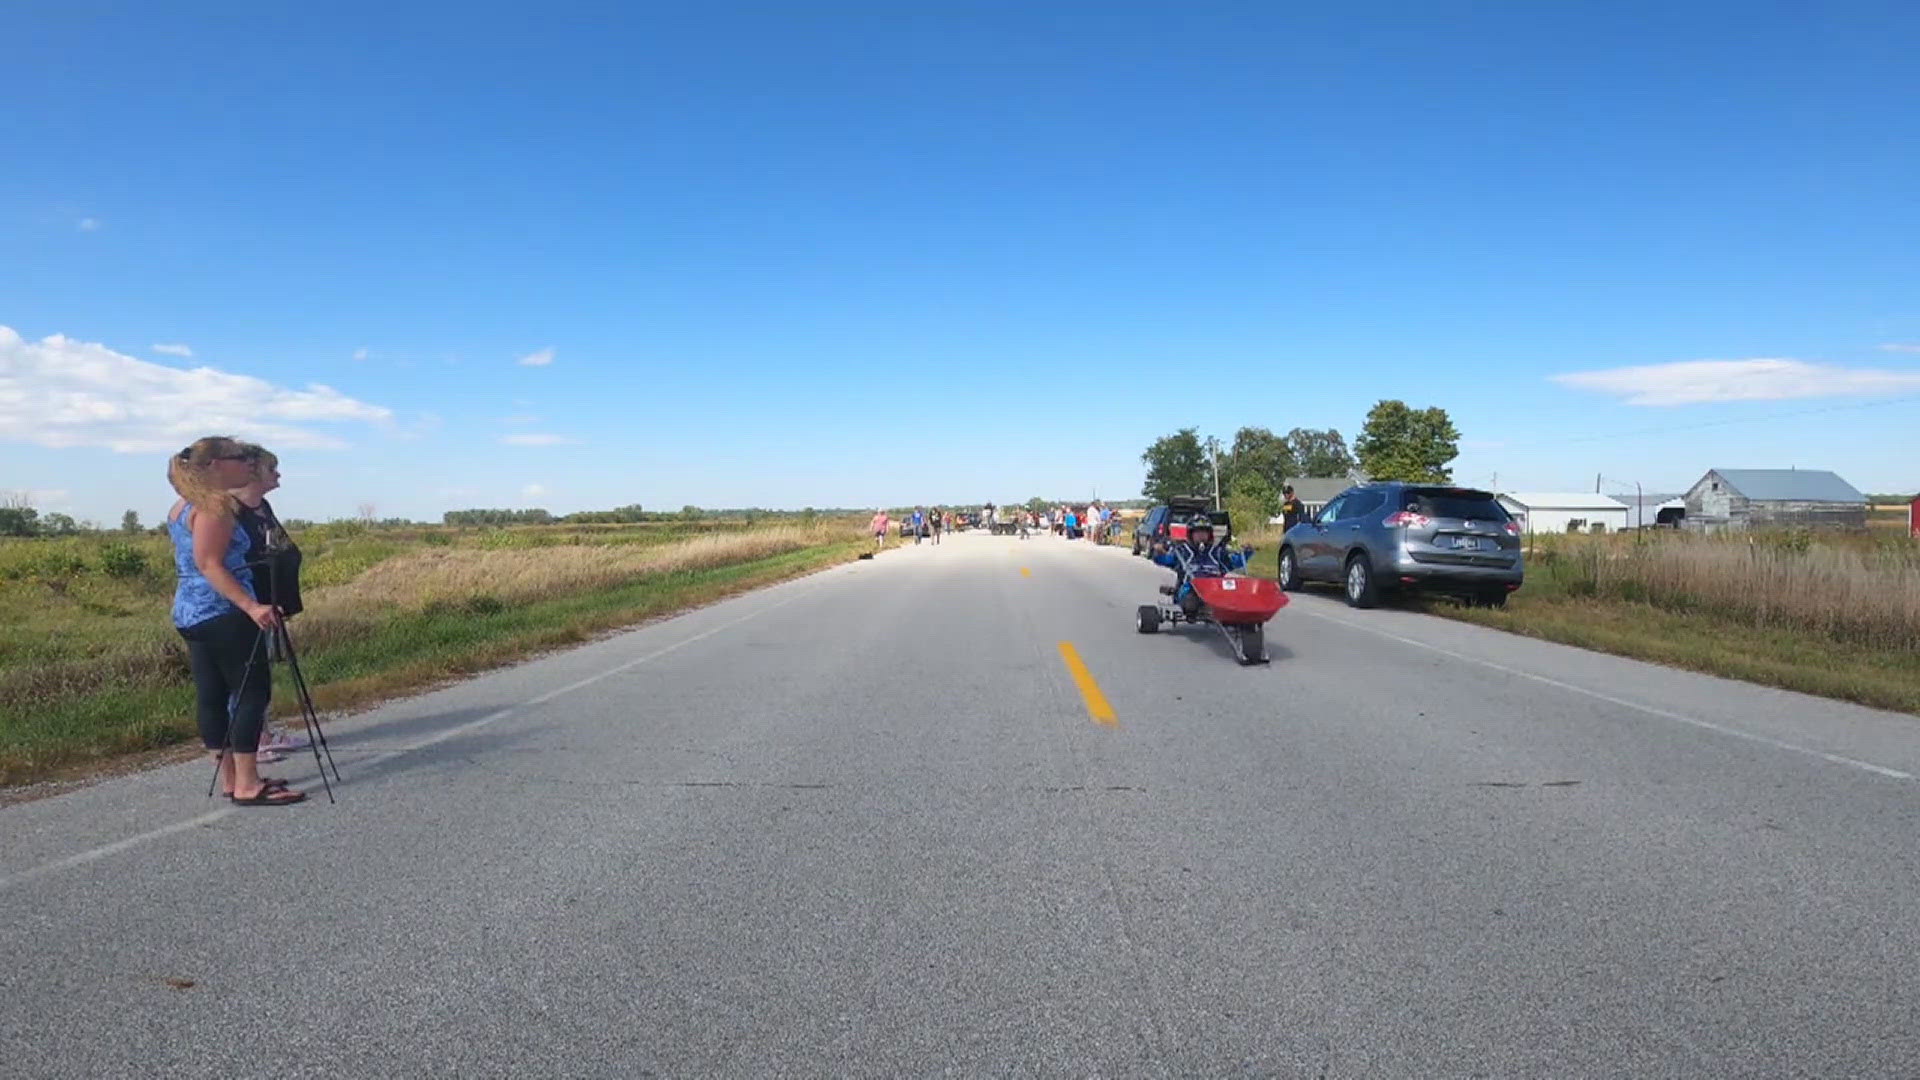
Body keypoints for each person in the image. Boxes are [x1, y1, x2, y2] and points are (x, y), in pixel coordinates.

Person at [167, 437, 301, 805]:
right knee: (250, 693)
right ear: (214, 466)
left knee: (212, 695)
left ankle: (231, 780)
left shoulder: (182, 506)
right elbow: (210, 563)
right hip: (225, 611)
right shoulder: (216, 507)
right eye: (238, 458)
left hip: (191, 611)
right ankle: (248, 784)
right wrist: (251, 606)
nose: (246, 464)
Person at [230, 446, 307, 761]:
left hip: (271, 601)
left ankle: (262, 733)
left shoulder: (262, 507)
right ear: (252, 472)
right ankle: (247, 742)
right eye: (271, 469)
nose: (277, 475)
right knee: (245, 675)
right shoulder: (232, 510)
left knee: (262, 672)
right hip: (247, 603)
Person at [1151, 515, 1254, 617]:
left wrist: (1246, 553)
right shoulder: (1182, 551)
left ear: (1209, 535)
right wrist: (1158, 552)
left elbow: (1234, 562)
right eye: (1198, 532)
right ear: (1191, 534)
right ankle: (1205, 608)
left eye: (1204, 532)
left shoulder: (1217, 552)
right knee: (1191, 603)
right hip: (1190, 590)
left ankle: (1236, 615)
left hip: (1216, 590)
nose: (1201, 535)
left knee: (1236, 596)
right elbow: (1164, 560)